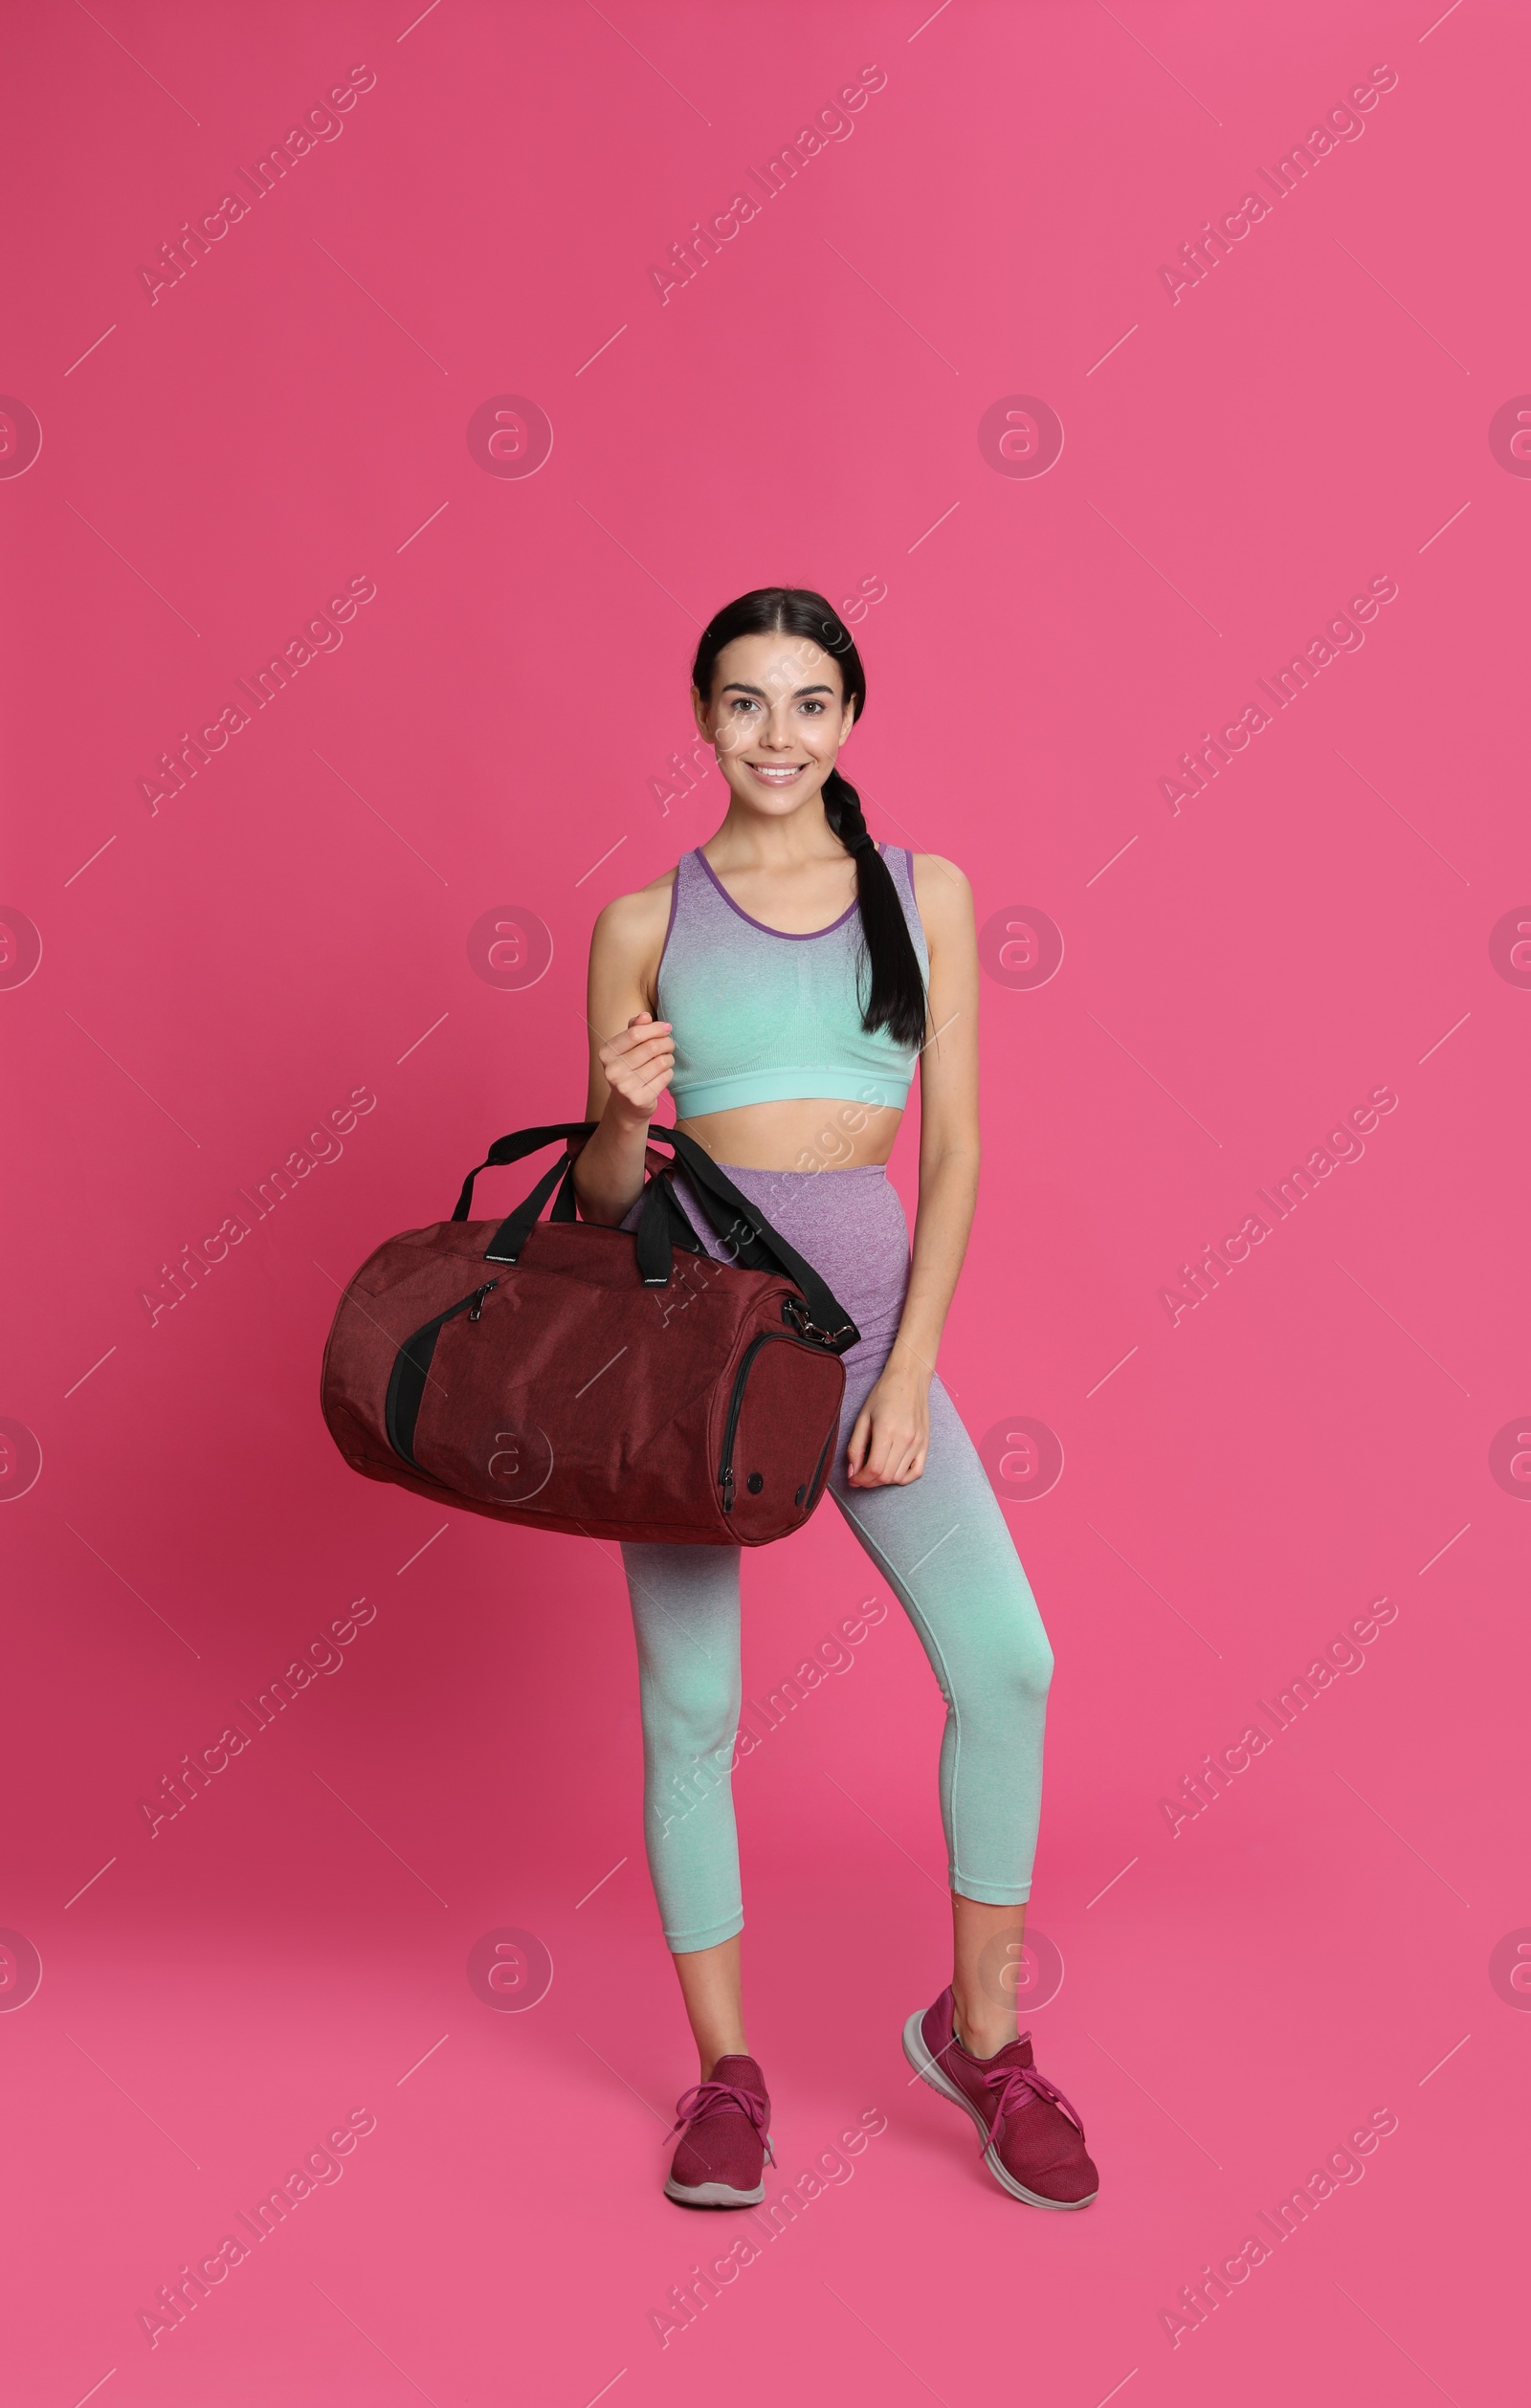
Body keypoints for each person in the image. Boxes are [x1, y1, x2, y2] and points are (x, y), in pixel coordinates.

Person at [571, 588, 1096, 2212]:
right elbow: (603, 1202)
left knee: (1008, 1660)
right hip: (694, 1338)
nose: (777, 735)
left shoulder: (922, 892)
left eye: (809, 703)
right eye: (746, 704)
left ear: (851, 717)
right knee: (691, 1711)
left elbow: (952, 1150)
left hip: (872, 1322)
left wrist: (915, 1356)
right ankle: (726, 2073)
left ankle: (983, 2035)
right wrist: (614, 1105)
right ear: (703, 717)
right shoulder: (640, 924)